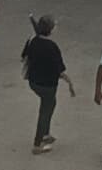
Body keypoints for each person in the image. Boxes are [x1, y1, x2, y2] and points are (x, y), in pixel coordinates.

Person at [24, 17, 71, 150]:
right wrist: (67, 79)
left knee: (49, 104)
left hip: (34, 81)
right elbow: (59, 68)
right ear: (50, 30)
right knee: (46, 110)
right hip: (48, 84)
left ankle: (45, 133)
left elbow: (24, 57)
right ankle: (38, 143)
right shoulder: (51, 47)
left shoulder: (32, 41)